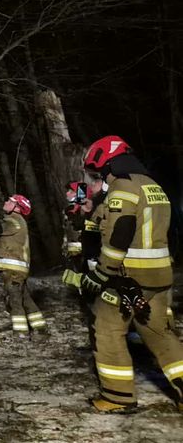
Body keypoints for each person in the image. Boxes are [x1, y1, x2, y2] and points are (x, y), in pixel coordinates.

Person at [79, 135, 183, 412]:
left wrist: (103, 273)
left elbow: (120, 233)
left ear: (105, 163)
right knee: (160, 334)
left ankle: (117, 397)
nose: (98, 177)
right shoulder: (153, 186)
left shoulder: (123, 185)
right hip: (160, 276)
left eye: (97, 171)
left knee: (107, 330)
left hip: (129, 278)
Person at [0, 194, 48, 338]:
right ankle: (40, 327)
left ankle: (21, 332)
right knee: (24, 298)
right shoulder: (11, 222)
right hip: (12, 270)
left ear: (16, 206)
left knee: (14, 300)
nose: (5, 202)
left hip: (14, 271)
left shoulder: (15, 221)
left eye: (9, 201)